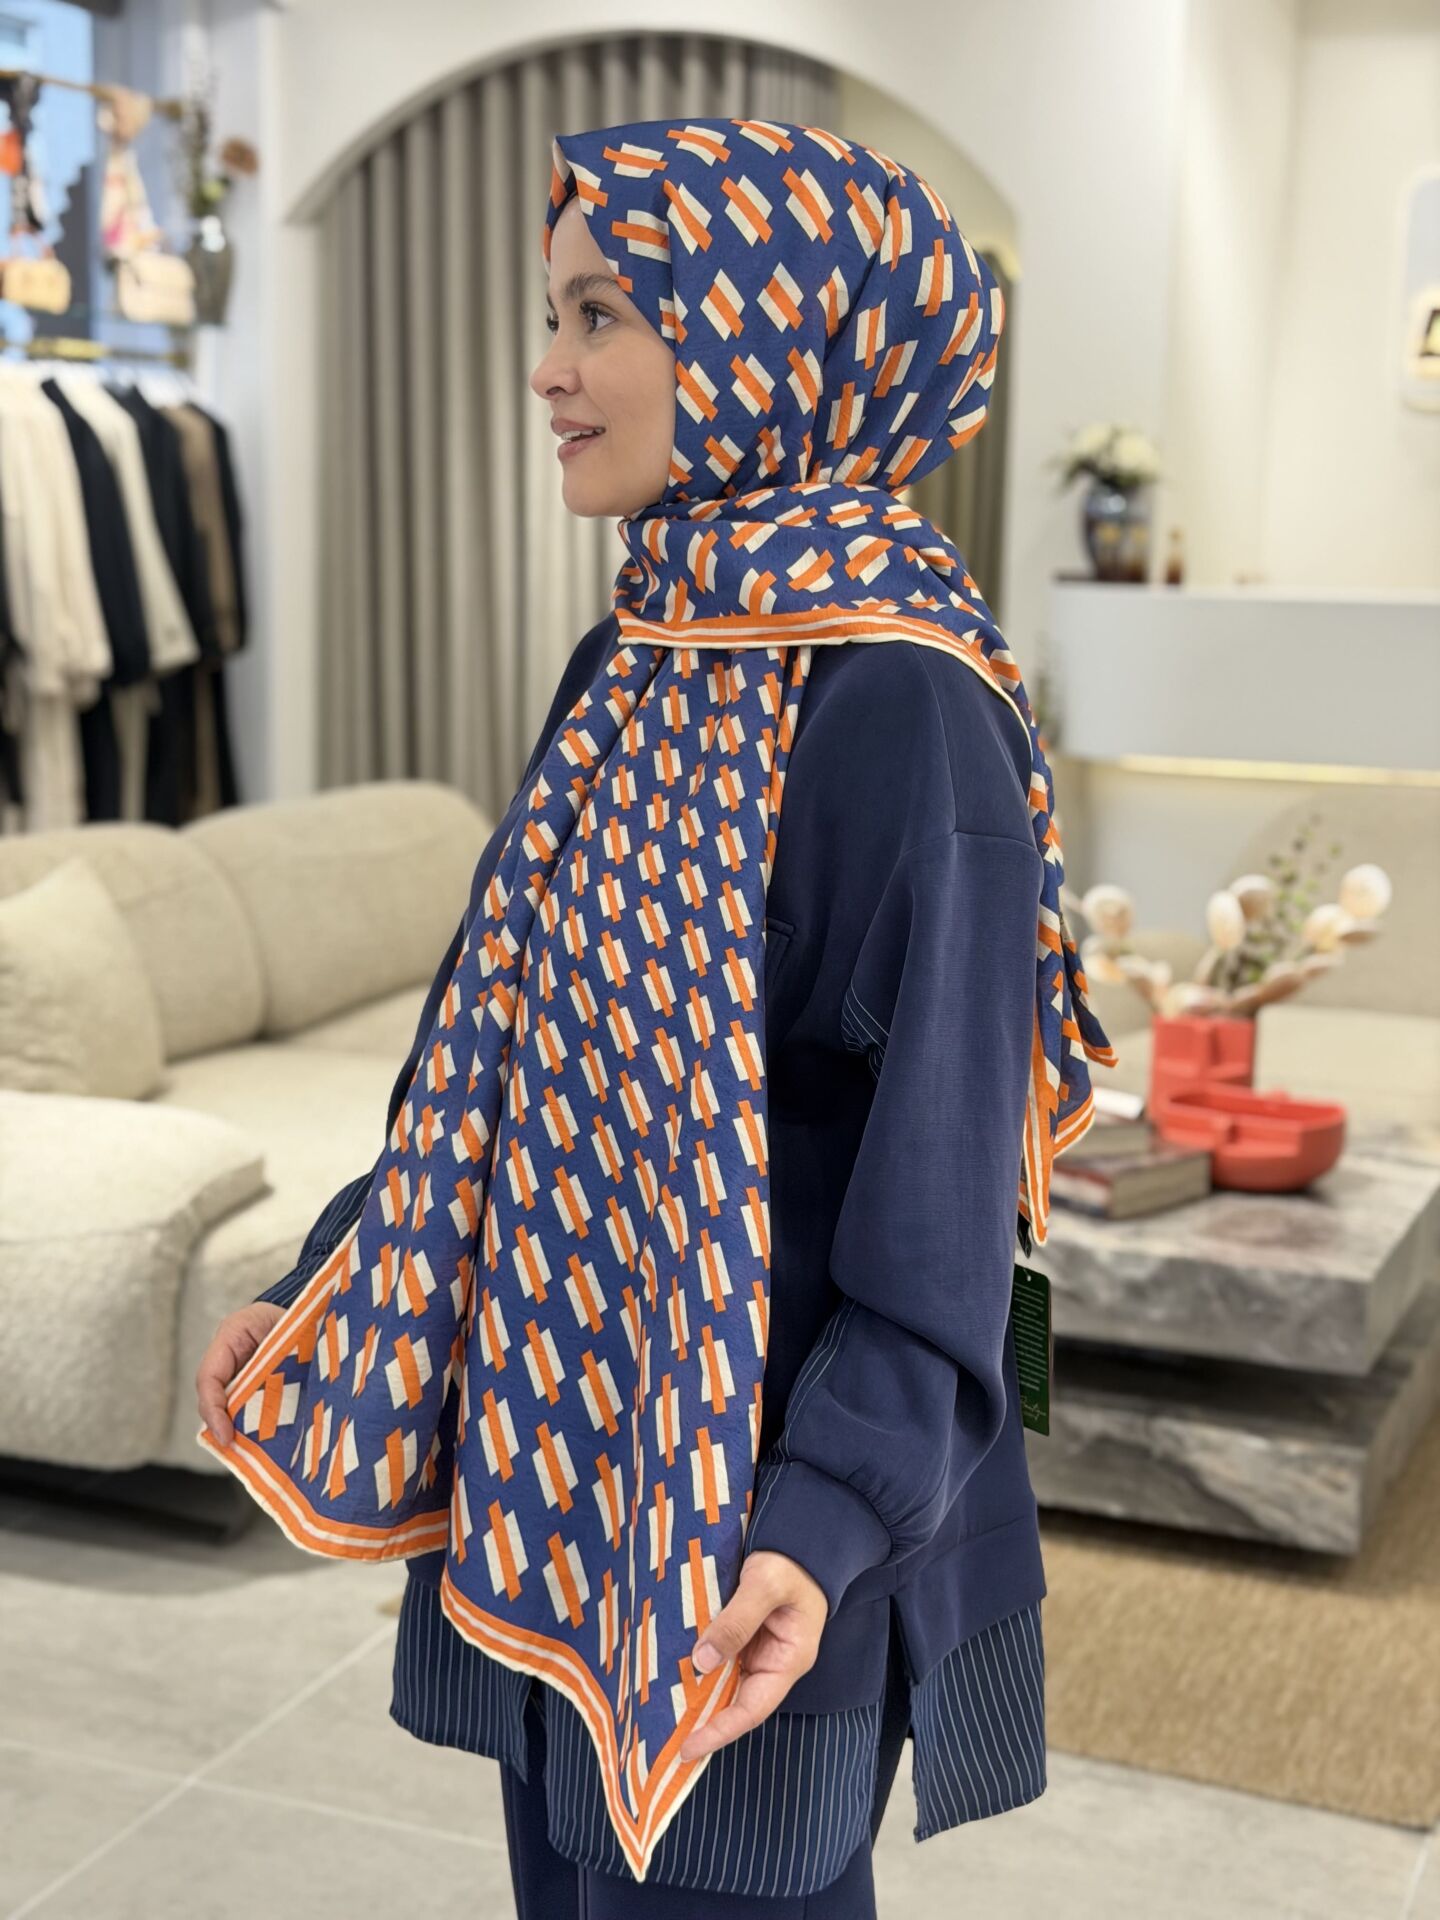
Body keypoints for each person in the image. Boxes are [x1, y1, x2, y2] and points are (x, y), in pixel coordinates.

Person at [197, 116, 1115, 1918]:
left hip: (752, 1539)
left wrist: (829, 1516)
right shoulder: (646, 650)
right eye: (555, 314)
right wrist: (326, 1280)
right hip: (560, 1463)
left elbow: (946, 1207)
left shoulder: (900, 703)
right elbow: (502, 1055)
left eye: (604, 313)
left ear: (772, 337)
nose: (548, 369)